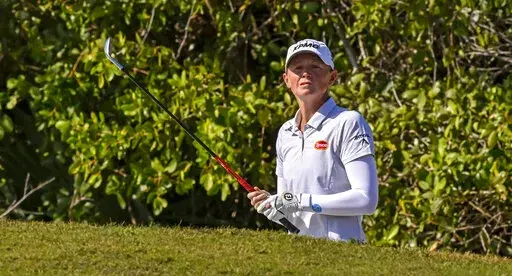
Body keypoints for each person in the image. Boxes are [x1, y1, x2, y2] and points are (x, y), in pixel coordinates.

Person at [247, 39, 379, 242]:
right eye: (297, 68)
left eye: (315, 67)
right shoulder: (285, 133)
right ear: (286, 79)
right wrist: (273, 205)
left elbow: (366, 200)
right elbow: (290, 207)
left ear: (332, 77)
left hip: (344, 253)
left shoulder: (349, 122)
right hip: (297, 254)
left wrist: (299, 201)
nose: (305, 73)